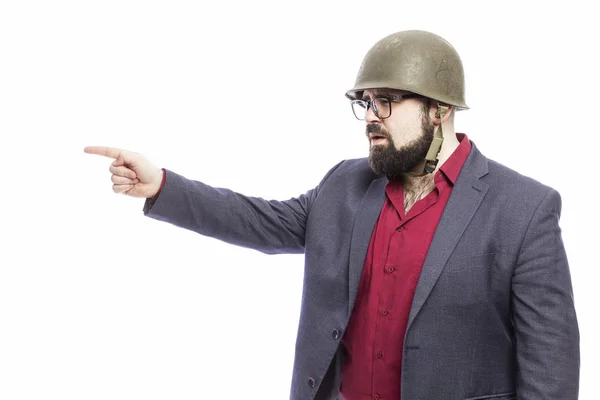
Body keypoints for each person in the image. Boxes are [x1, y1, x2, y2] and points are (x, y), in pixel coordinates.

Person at [84, 30, 580, 400]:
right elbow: (260, 221)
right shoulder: (345, 184)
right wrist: (163, 186)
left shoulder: (523, 210)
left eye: (386, 102)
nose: (370, 117)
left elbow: (551, 376)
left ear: (439, 109)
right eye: (365, 103)